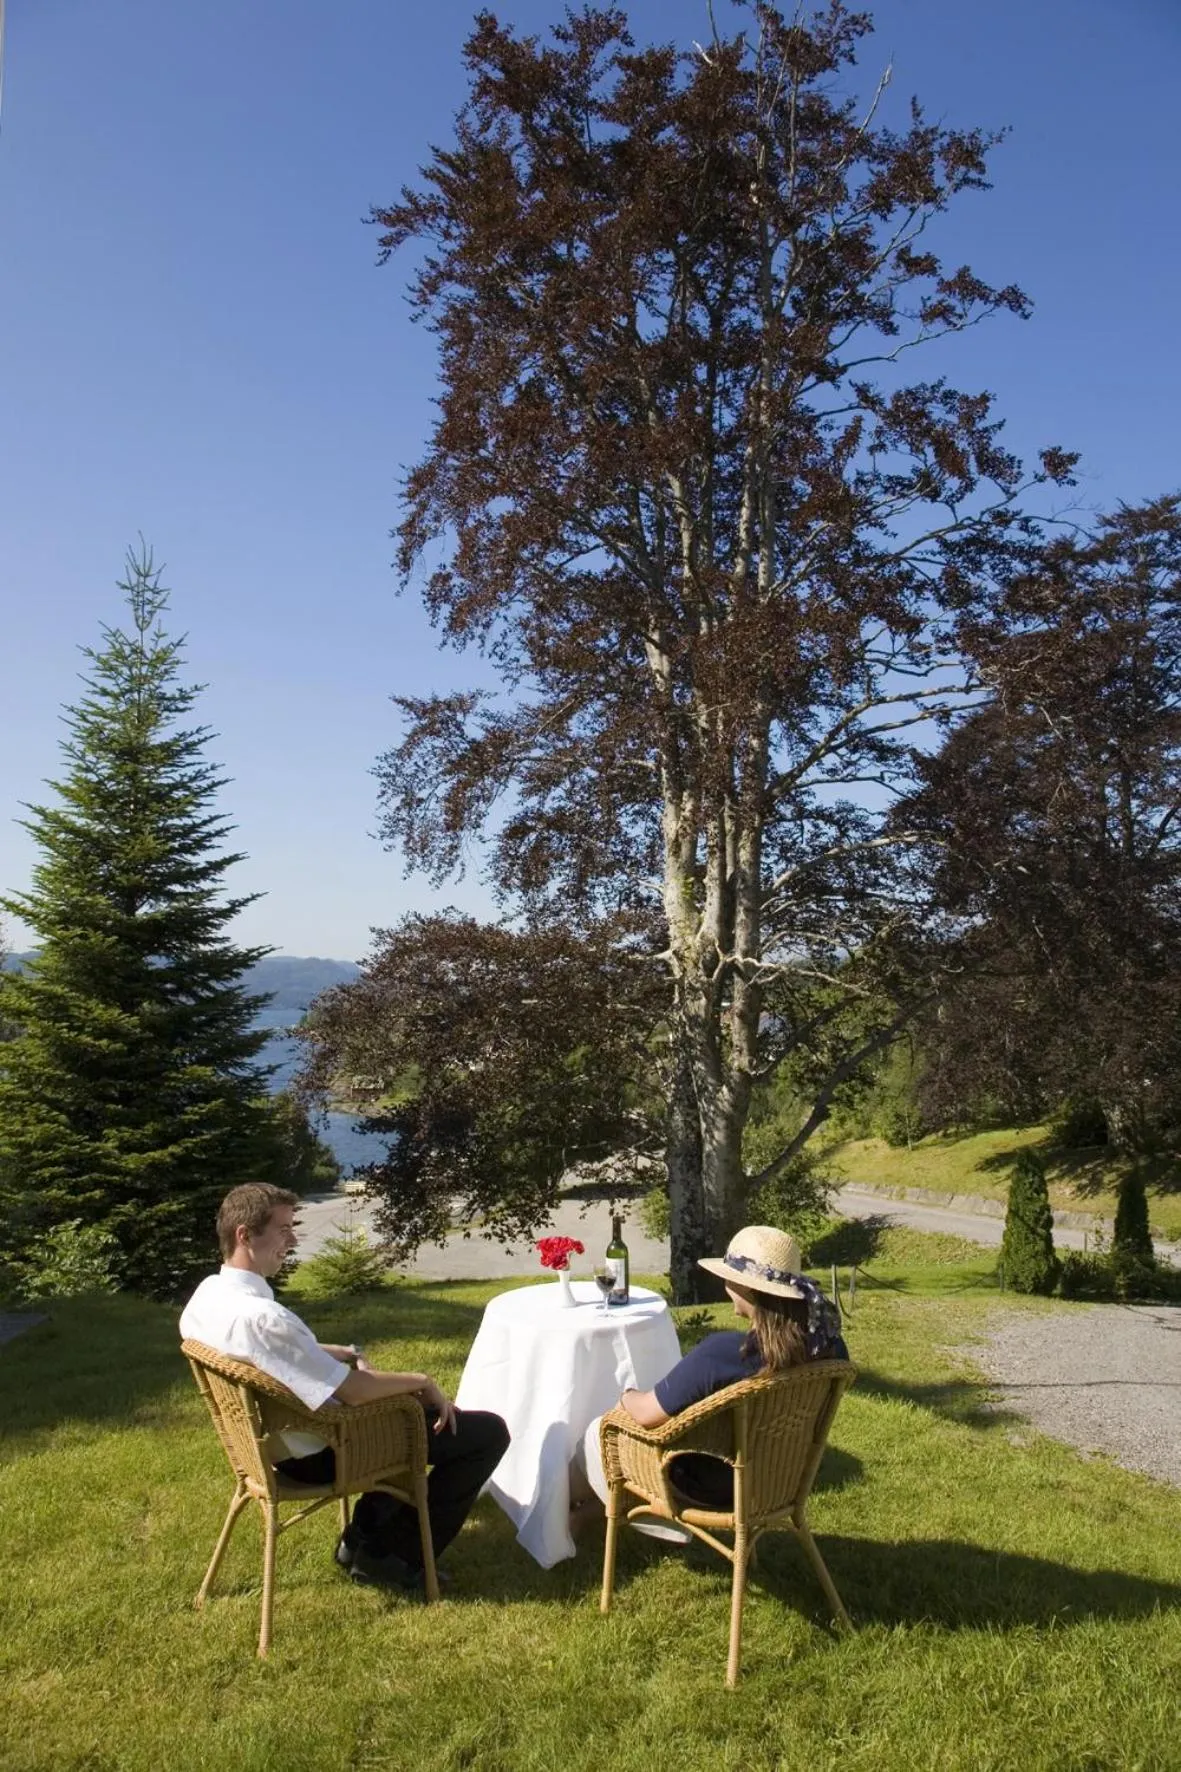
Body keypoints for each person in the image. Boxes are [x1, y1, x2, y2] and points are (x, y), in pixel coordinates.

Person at [180, 1182, 510, 1592]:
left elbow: (266, 1354)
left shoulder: (209, 1298)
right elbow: (352, 1393)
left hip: (272, 1445)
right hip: (321, 1447)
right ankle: (394, 1556)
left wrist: (338, 1352)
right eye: (283, 1229)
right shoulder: (263, 1316)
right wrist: (424, 1383)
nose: (293, 1239)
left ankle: (360, 1541)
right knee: (484, 1433)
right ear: (244, 1235)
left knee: (411, 1418)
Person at [577, 1224, 848, 1533]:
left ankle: (565, 1518)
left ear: (743, 1287)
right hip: (782, 1478)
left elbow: (646, 1415)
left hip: (711, 1486)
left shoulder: (726, 1353)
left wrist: (627, 1394)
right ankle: (584, 1514)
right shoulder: (830, 1347)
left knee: (598, 1430)